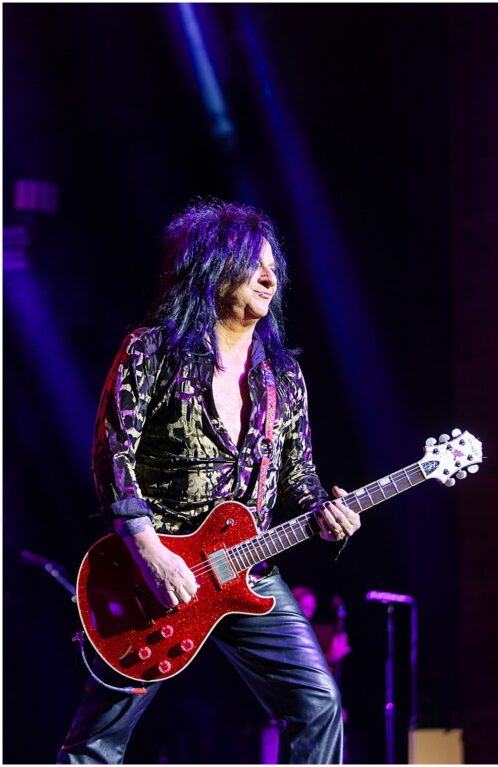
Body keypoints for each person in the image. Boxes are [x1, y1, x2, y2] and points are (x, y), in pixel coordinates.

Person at [58, 199, 362, 764]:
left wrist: (330, 510)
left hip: (248, 570)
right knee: (97, 743)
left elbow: (299, 475)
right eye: (254, 266)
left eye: (275, 267)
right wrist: (149, 550)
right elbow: (111, 455)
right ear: (213, 269)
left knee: (319, 704)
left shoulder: (282, 375)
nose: (270, 278)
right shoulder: (151, 351)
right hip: (154, 574)